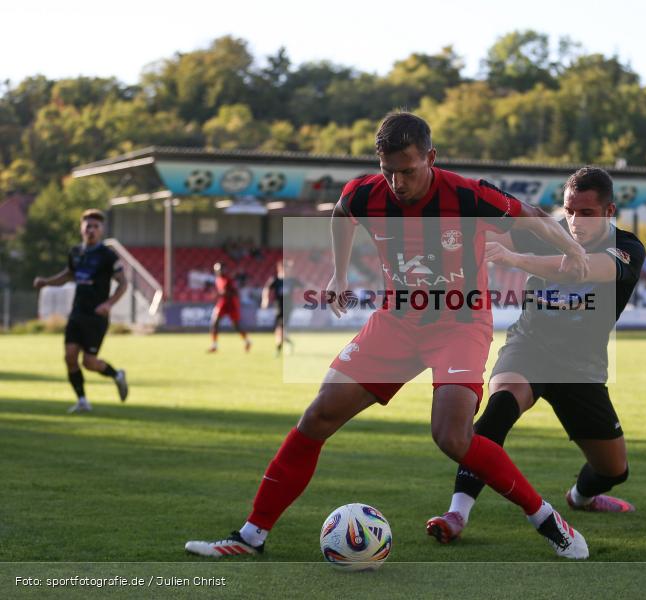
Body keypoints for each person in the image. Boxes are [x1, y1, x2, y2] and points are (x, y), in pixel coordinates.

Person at [185, 112, 593, 559]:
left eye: (408, 170)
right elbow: (342, 215)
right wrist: (339, 275)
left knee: (452, 436)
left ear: (430, 158)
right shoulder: (363, 193)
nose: (397, 182)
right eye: (389, 171)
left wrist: (573, 250)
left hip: (459, 322)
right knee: (318, 416)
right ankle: (251, 536)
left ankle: (548, 521)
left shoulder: (467, 194)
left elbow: (534, 217)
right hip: (396, 322)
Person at [425, 167, 645, 544]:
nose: (574, 221)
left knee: (613, 469)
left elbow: (581, 270)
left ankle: (581, 497)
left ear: (609, 211)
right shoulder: (546, 230)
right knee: (499, 409)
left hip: (581, 368)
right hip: (529, 348)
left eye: (586, 213)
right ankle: (456, 513)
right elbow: (489, 225)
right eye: (569, 210)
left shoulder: (627, 247)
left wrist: (514, 258)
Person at [33, 209, 129, 413]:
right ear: (81, 228)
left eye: (95, 226)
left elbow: (123, 283)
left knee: (89, 362)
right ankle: (83, 401)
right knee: (69, 357)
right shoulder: (76, 253)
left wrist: (109, 304)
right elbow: (68, 275)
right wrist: (46, 282)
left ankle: (117, 375)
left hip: (96, 316)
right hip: (77, 313)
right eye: (88, 225)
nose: (91, 230)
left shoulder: (108, 256)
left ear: (101, 230)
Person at [208, 262, 251, 353]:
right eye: (217, 270)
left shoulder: (229, 280)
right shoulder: (217, 279)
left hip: (232, 304)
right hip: (223, 303)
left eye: (220, 269)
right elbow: (221, 293)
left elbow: (235, 293)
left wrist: (222, 294)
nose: (218, 271)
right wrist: (219, 295)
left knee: (236, 325)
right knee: (214, 322)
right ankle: (214, 345)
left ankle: (247, 341)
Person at [261, 260, 294, 356]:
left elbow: (305, 286)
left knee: (281, 328)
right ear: (280, 268)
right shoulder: (275, 280)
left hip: (288, 308)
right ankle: (288, 343)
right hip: (278, 308)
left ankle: (278, 349)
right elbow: (266, 288)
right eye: (286, 268)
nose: (288, 271)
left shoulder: (291, 280)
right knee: (279, 330)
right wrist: (265, 299)